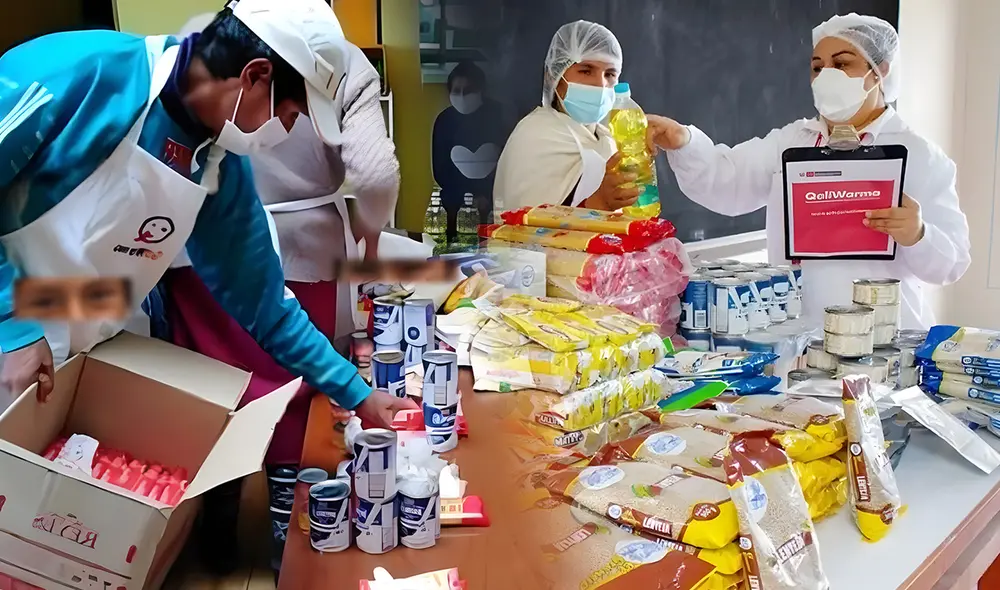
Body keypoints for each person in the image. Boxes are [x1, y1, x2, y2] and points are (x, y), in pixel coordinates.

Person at [0, 0, 415, 421]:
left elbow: (265, 307)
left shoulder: (218, 166)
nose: (288, 130)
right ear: (255, 75)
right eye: (291, 115)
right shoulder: (84, 76)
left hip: (91, 356)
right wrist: (14, 328)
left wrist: (358, 394)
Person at [158, 9, 402, 574]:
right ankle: (287, 546)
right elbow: (374, 175)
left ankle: (214, 536)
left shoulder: (202, 36)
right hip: (301, 248)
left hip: (191, 253)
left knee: (211, 390)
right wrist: (369, 236)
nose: (289, 122)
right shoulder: (341, 58)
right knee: (289, 399)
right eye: (290, 108)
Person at [648, 13, 971, 329]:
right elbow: (726, 183)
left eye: (842, 64)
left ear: (879, 71)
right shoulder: (792, 141)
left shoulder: (919, 155)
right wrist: (683, 141)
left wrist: (918, 234)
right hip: (799, 332)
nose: (826, 75)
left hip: (884, 335)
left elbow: (950, 265)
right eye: (818, 67)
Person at [493, 20, 639, 214]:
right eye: (586, 71)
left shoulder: (607, 139)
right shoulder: (536, 135)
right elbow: (529, 228)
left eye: (610, 74)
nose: (600, 84)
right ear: (553, 76)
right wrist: (599, 203)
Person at [432, 60, 506, 237]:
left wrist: (486, 195)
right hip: (456, 203)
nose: (462, 96)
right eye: (457, 91)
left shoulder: (499, 116)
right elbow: (440, 171)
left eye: (469, 91)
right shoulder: (445, 120)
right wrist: (469, 197)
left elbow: (508, 163)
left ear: (481, 90)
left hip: (495, 202)